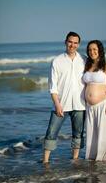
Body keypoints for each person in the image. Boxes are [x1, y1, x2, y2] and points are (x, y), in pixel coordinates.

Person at [43, 32, 86, 163]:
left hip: (80, 104)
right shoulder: (57, 61)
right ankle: (45, 161)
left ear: (78, 44)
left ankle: (75, 159)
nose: (72, 45)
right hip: (61, 104)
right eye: (70, 42)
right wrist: (57, 104)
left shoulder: (84, 60)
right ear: (65, 42)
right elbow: (53, 86)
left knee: (78, 133)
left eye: (75, 42)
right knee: (51, 132)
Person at [83, 40, 106, 161]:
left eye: (95, 49)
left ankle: (104, 159)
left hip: (103, 104)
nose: (92, 52)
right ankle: (92, 159)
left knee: (103, 133)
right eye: (90, 50)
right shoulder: (87, 65)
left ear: (100, 50)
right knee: (91, 134)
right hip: (89, 106)